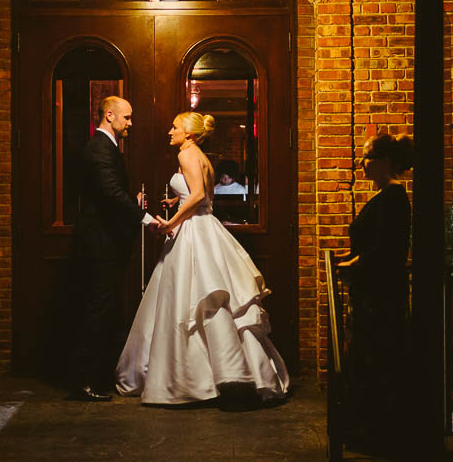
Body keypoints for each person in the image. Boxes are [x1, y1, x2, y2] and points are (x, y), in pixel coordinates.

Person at [115, 111, 290, 405]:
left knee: (191, 295)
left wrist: (172, 222)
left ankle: (190, 378)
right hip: (207, 224)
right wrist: (175, 200)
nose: (169, 131)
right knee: (210, 295)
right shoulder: (201, 156)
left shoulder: (186, 155)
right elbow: (205, 196)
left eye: (175, 127)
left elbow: (196, 196)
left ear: (190, 134)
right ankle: (234, 371)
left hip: (195, 229)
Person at [71, 95, 153, 401]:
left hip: (105, 241)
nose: (130, 123)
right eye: (127, 117)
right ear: (109, 116)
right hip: (99, 243)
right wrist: (143, 216)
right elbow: (109, 192)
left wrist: (132, 205)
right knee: (96, 310)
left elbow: (112, 193)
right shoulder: (99, 149)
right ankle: (84, 381)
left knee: (102, 309)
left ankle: (95, 376)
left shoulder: (106, 147)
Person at [336, 132, 414, 433]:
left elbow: (385, 248)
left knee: (377, 360)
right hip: (373, 294)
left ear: (383, 162)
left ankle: (376, 428)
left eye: (366, 157)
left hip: (379, 297)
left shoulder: (393, 198)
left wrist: (352, 264)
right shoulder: (385, 197)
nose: (361, 163)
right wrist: (350, 255)